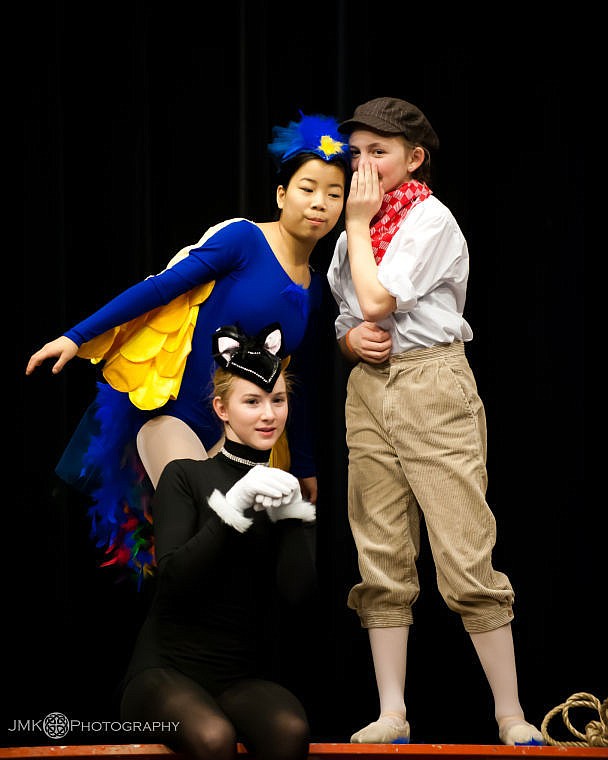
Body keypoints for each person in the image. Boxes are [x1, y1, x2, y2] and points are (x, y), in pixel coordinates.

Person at [25, 111, 348, 579]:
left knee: (231, 560)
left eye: (333, 194)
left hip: (234, 436)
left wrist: (305, 463)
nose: (319, 202)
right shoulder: (244, 240)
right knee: (203, 521)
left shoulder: (315, 288)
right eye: (307, 188)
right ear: (282, 195)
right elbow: (161, 289)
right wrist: (76, 337)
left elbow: (297, 380)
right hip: (176, 417)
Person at [327, 96, 544, 746]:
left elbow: (377, 298)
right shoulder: (349, 234)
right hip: (369, 392)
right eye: (356, 153)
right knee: (382, 550)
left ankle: (510, 713)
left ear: (413, 158)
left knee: (462, 549)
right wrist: (348, 345)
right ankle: (392, 712)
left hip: (430, 383)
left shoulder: (429, 220)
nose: (364, 165)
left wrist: (360, 226)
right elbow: (348, 317)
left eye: (379, 152)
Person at [118, 322, 317, 760]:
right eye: (253, 401)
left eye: (277, 400)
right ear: (222, 409)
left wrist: (297, 520)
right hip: (165, 670)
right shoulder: (185, 476)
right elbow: (174, 580)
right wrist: (234, 509)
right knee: (213, 738)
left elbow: (298, 595)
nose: (269, 414)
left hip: (238, 677)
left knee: (290, 729)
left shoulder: (280, 488)